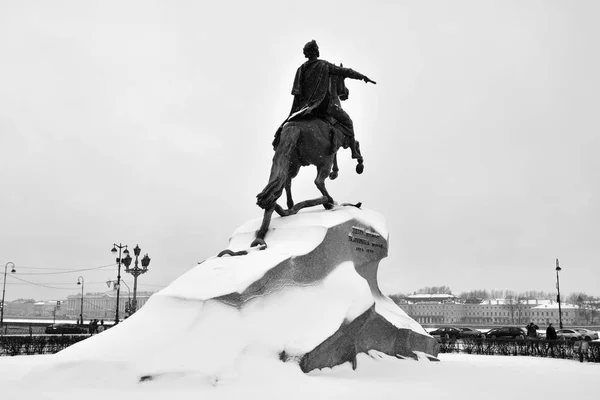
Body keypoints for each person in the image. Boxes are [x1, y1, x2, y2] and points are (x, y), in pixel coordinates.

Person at [274, 40, 376, 160]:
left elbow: (297, 93)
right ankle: (354, 151)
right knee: (348, 122)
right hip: (323, 107)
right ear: (316, 51)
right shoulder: (324, 65)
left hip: (303, 110)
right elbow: (345, 72)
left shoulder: (301, 69)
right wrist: (362, 77)